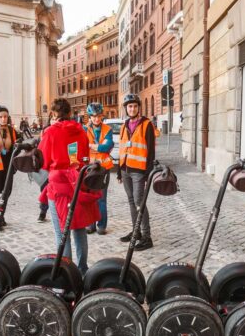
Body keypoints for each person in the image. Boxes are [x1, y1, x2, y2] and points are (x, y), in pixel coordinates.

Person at [39, 98, 99, 276]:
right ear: (69, 113)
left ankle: (68, 272)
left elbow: (43, 161)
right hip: (76, 184)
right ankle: (82, 269)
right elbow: (83, 157)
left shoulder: (50, 132)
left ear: (54, 113)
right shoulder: (80, 131)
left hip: (57, 188)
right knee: (79, 230)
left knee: (61, 235)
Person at [118, 93, 158, 251]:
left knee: (139, 202)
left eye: (135, 106)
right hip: (126, 170)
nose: (132, 108)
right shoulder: (124, 125)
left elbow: (151, 150)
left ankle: (147, 236)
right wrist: (120, 171)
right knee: (131, 201)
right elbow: (123, 148)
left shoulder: (147, 124)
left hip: (139, 171)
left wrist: (149, 173)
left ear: (138, 107)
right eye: (129, 106)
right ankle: (136, 232)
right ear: (126, 109)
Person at [84, 102, 114, 235]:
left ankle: (101, 225)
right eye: (93, 116)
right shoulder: (84, 129)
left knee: (101, 198)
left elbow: (106, 147)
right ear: (89, 117)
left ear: (102, 116)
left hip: (103, 168)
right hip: (89, 169)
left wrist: (91, 146)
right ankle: (91, 225)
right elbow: (82, 146)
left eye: (98, 116)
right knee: (90, 197)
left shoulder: (108, 129)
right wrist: (97, 146)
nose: (96, 119)